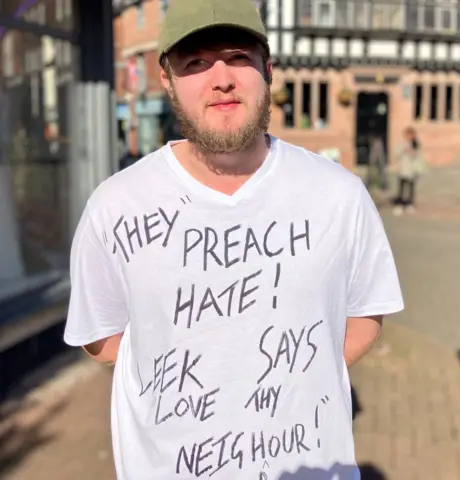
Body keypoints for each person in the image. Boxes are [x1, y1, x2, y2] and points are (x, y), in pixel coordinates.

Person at [63, 0, 404, 478]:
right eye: (196, 63)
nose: (220, 78)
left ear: (269, 69)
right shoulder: (116, 206)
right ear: (167, 80)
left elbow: (366, 313)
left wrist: (299, 376)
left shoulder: (338, 194)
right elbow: (102, 337)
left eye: (238, 57)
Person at [392, 127, 424, 216]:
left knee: (411, 188)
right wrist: (404, 150)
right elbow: (396, 152)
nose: (409, 136)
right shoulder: (402, 144)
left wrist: (413, 152)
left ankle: (409, 204)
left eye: (411, 135)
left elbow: (418, 156)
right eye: (408, 135)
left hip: (412, 169)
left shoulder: (416, 144)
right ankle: (399, 205)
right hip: (403, 169)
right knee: (401, 188)